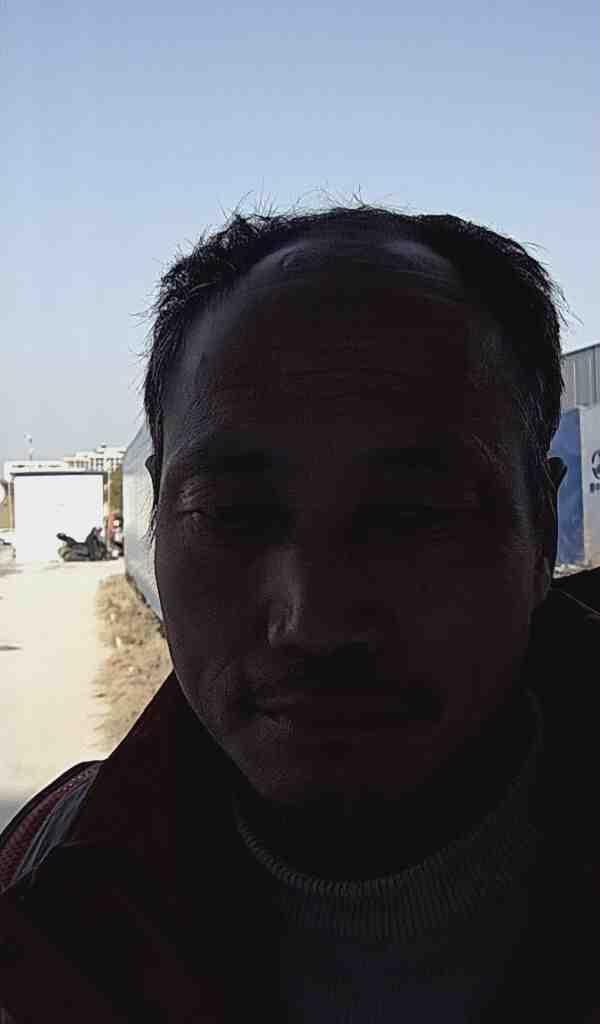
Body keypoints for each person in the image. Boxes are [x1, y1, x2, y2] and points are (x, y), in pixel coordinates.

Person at [1, 205, 599, 1023]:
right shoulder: (38, 893)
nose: (315, 622)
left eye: (411, 515)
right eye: (233, 514)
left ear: (541, 537)